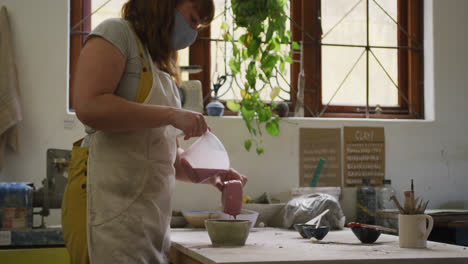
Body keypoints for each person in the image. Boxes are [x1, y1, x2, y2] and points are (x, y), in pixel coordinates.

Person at [61, 1, 247, 263]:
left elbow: (164, 153)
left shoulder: (160, 65)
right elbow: (89, 105)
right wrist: (172, 115)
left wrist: (213, 174)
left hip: (147, 220)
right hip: (104, 208)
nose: (194, 33)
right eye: (193, 20)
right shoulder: (116, 34)